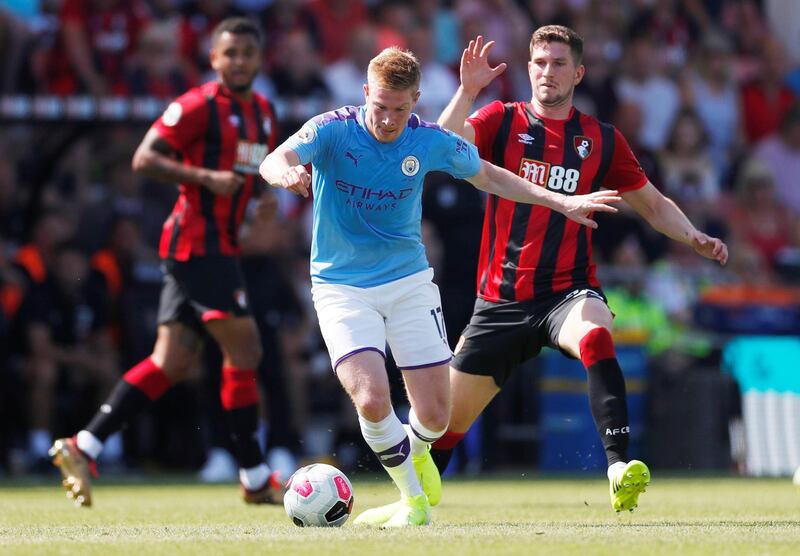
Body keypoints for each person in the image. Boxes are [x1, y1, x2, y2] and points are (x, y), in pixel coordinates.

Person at [260, 46, 620, 527]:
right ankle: (413, 500)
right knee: (370, 397)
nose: (388, 120)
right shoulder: (332, 129)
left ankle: (415, 464)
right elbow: (274, 158)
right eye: (380, 106)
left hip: (409, 283)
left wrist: (560, 202)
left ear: (416, 102)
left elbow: (490, 176)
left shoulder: (427, 140)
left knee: (434, 417)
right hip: (341, 287)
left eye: (400, 109)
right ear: (366, 93)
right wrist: (284, 172)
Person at [431, 27, 728, 512]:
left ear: (579, 72)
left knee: (595, 332)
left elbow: (653, 204)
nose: (548, 72)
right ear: (529, 68)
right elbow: (443, 150)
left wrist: (693, 235)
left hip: (567, 292)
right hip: (501, 300)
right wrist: (467, 91)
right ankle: (414, 503)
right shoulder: (501, 121)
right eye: (540, 63)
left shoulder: (600, 140)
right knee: (442, 429)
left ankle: (617, 467)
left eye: (559, 63)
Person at [49, 17, 283, 508]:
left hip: (216, 246)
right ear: (213, 58)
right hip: (198, 245)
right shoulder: (196, 106)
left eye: (247, 52)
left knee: (171, 361)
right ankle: (256, 474)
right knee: (246, 350)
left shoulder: (263, 112)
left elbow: (250, 171)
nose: (238, 61)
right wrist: (202, 176)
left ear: (259, 59)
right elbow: (144, 158)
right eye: (230, 53)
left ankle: (83, 444)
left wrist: (263, 197)